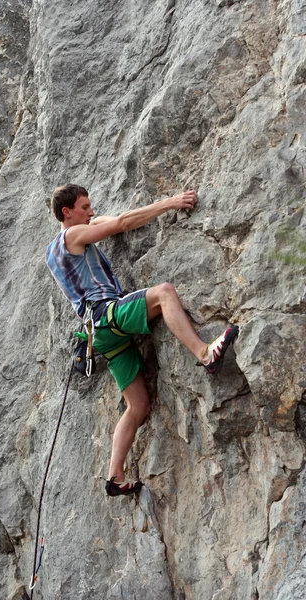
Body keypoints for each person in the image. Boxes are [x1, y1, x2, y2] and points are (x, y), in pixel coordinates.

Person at [45, 184, 238, 497]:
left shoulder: (56, 248)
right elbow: (121, 223)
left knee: (137, 404)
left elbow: (108, 223)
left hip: (99, 336)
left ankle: (115, 475)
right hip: (107, 314)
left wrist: (97, 221)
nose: (91, 212)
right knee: (164, 293)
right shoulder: (72, 236)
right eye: (84, 207)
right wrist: (171, 202)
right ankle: (204, 353)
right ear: (67, 212)